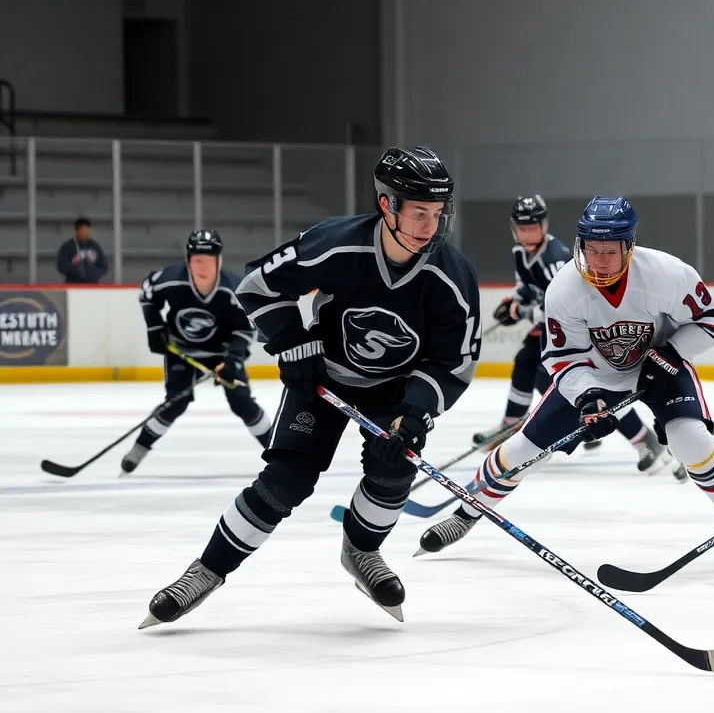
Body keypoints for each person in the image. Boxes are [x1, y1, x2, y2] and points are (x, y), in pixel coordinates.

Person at [139, 146, 481, 628]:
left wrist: (417, 411)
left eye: (437, 213)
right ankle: (206, 571)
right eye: (419, 212)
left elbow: (455, 360)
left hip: (394, 389)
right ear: (387, 205)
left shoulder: (452, 275)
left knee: (394, 470)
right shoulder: (336, 243)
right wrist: (293, 342)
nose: (431, 225)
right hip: (319, 377)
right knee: (286, 481)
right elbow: (257, 287)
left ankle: (361, 551)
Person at [414, 196, 714, 569]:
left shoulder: (668, 275)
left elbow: (712, 321)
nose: (599, 261)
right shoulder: (564, 289)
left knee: (690, 441)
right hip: (594, 374)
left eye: (609, 251)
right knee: (522, 452)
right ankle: (466, 514)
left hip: (662, 365)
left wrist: (671, 353)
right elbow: (561, 357)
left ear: (629, 247)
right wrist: (587, 399)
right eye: (592, 249)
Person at [476, 194, 686, 481]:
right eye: (521, 228)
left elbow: (558, 307)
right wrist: (513, 301)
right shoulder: (520, 253)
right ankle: (511, 424)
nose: (527, 233)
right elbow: (526, 287)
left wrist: (520, 312)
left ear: (544, 225)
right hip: (550, 333)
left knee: (574, 386)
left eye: (532, 227)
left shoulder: (555, 259)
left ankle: (641, 438)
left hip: (582, 334)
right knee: (525, 364)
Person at [122, 229, 273, 474]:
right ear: (188, 260)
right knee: (174, 403)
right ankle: (140, 448)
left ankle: (277, 452)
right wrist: (154, 328)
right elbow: (147, 293)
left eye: (209, 260)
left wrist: (233, 359)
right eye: (196, 260)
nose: (202, 267)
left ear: (219, 261)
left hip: (221, 354)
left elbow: (245, 329)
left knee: (242, 403)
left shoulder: (233, 290)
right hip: (180, 349)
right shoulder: (171, 280)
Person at [56, 217, 109, 283]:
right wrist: (72, 264)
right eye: (83, 231)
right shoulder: (68, 246)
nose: (85, 233)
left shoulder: (94, 246)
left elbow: (104, 266)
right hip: (74, 286)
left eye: (87, 230)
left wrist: (95, 275)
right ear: (77, 231)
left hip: (92, 286)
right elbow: (61, 267)